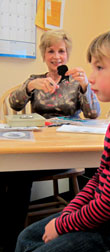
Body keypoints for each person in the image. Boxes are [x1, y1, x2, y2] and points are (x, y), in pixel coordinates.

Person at [15, 26, 110, 252]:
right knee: (27, 237)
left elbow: (108, 204)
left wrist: (62, 224)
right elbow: (100, 178)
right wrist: (69, 214)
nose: (92, 76)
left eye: (100, 67)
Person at [0, 29, 100, 252]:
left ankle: (84, 228)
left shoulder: (75, 81)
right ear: (44, 55)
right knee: (13, 174)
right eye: (51, 51)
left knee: (97, 169)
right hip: (38, 149)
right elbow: (15, 105)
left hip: (67, 149)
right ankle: (10, 239)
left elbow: (93, 114)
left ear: (67, 54)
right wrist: (29, 87)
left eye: (61, 51)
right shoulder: (36, 80)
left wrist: (86, 87)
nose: (56, 56)